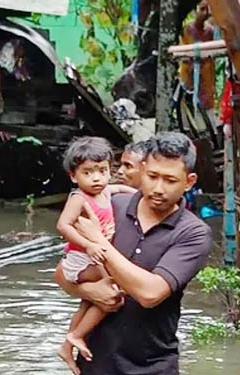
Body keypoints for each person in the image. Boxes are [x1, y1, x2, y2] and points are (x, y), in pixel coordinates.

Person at [55, 131, 212, 375]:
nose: (158, 188)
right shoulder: (112, 206)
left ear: (189, 182)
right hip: (94, 362)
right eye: (152, 176)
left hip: (152, 367)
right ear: (142, 169)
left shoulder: (192, 232)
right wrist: (88, 290)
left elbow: (150, 293)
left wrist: (99, 240)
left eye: (170, 180)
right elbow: (64, 272)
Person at [55, 136, 137, 374]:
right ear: (74, 176)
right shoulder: (79, 198)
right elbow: (63, 226)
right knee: (112, 290)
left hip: (91, 257)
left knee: (89, 300)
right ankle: (76, 336)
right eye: (88, 173)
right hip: (80, 260)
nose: (97, 178)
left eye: (102, 171)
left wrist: (139, 196)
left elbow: (121, 188)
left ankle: (67, 344)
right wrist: (89, 245)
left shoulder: (106, 191)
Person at [179, 0, 218, 134]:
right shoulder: (187, 30)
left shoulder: (210, 31)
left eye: (208, 10)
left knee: (207, 108)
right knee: (188, 107)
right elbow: (182, 53)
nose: (206, 13)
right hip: (189, 77)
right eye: (202, 9)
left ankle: (209, 136)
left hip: (206, 79)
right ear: (195, 10)